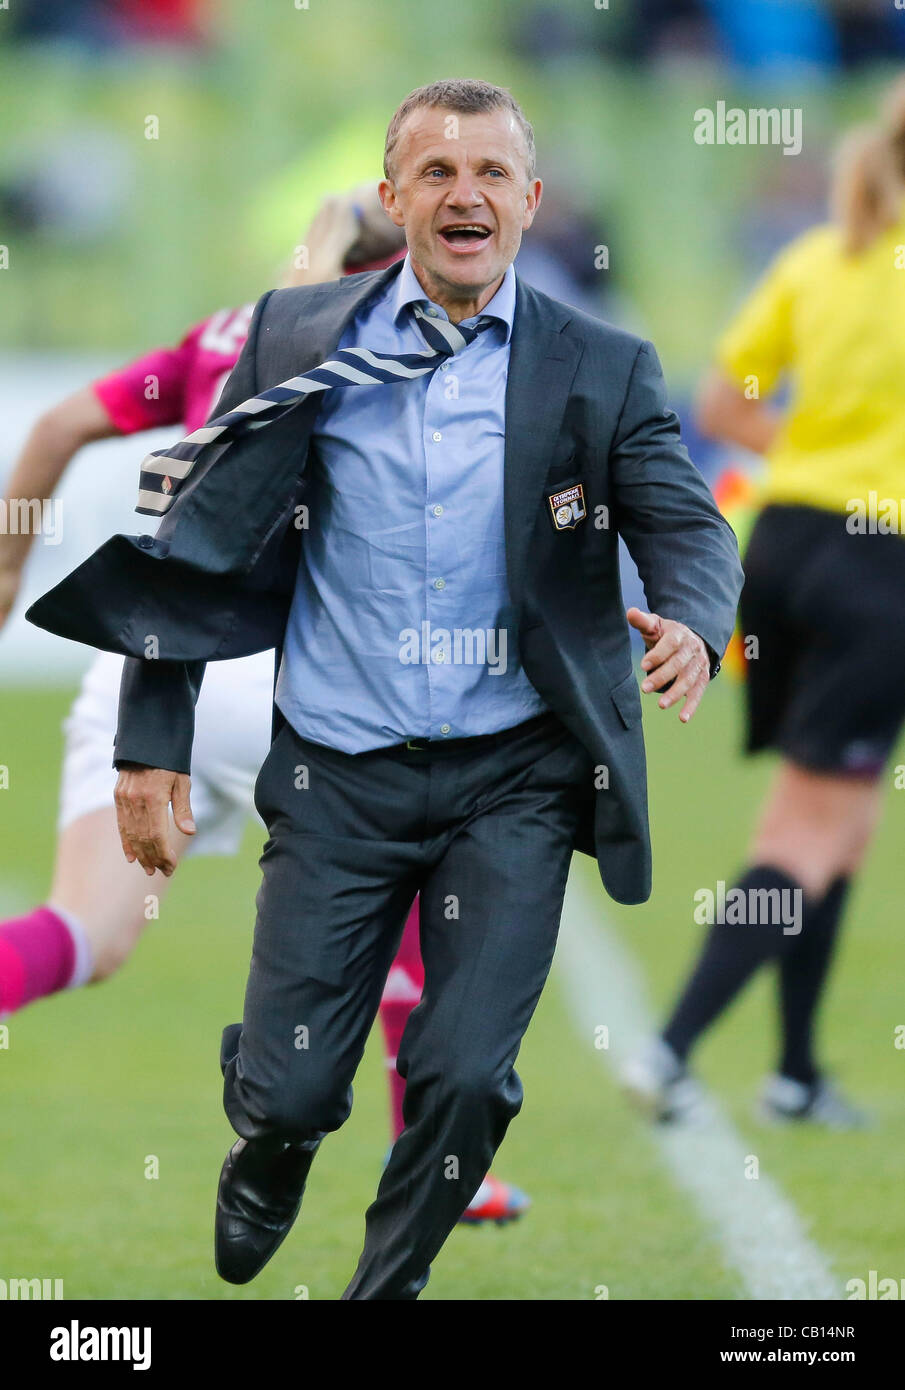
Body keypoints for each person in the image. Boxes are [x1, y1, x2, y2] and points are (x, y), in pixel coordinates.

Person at [28, 78, 742, 1299]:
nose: (463, 194)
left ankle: (385, 1285)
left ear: (528, 199)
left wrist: (692, 616)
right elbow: (194, 548)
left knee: (463, 1074)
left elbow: (686, 528)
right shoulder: (300, 337)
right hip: (336, 772)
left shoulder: (602, 366)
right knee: (297, 1082)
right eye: (435, 173)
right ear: (392, 198)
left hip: (512, 773)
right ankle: (269, 1136)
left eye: (489, 174)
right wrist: (150, 745)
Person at [0, 182, 524, 1224]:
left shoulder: (230, 329)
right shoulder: (408, 345)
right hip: (291, 670)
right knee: (417, 877)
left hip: (146, 665)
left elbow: (58, 427)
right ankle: (438, 1169)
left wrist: (6, 578)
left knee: (84, 934)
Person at [623, 80, 905, 1129]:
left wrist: (820, 467)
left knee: (843, 822)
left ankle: (792, 1072)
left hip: (783, 547)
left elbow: (719, 404)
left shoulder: (818, 258)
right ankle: (667, 1049)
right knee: (804, 827)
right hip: (882, 568)